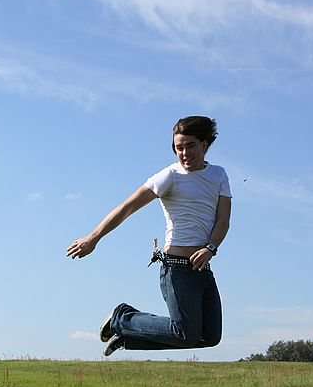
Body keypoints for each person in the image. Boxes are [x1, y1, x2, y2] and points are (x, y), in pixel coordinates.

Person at [66, 115, 232, 356]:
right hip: (177, 269)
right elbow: (127, 207)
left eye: (190, 145)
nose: (184, 153)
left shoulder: (218, 175)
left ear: (205, 145)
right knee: (185, 333)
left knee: (210, 336)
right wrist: (93, 237)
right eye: (179, 148)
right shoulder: (169, 177)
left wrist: (211, 248)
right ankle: (121, 318)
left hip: (202, 269)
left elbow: (223, 220)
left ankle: (127, 339)